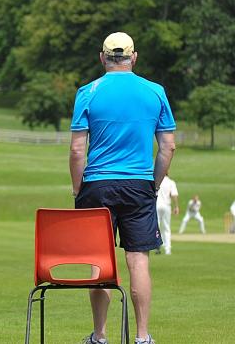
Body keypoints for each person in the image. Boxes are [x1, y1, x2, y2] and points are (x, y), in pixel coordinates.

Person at [69, 32, 176, 344]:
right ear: (134, 57)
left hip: (97, 185)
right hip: (139, 184)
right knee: (138, 259)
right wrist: (154, 184)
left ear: (102, 58)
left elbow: (77, 151)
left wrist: (79, 190)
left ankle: (100, 335)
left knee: (99, 260)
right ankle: (142, 337)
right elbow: (168, 148)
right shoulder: (155, 92)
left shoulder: (88, 92)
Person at [155, 174, 179, 255]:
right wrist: (176, 207)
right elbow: (174, 195)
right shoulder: (171, 182)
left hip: (156, 205)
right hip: (166, 205)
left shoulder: (156, 181)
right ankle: (167, 249)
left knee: (156, 226)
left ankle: (157, 245)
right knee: (166, 227)